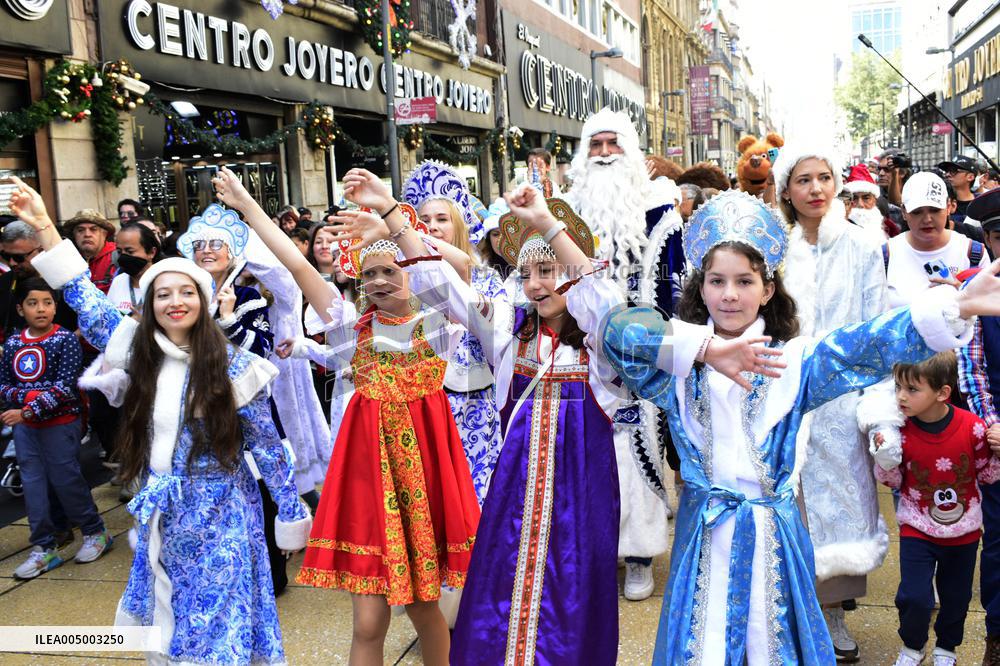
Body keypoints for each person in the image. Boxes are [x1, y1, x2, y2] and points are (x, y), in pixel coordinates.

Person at [599, 187, 1000, 664]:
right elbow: (615, 331)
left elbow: (866, 344)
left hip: (773, 531)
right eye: (717, 281)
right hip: (704, 534)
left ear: (768, 289)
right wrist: (704, 350)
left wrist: (956, 307)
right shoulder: (677, 363)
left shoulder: (795, 361)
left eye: (745, 281)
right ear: (700, 286)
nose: (729, 295)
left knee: (772, 642)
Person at [8, 176, 311, 665]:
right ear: (149, 305)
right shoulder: (137, 348)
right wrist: (44, 224)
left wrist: (291, 512)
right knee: (171, 614)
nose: (175, 302)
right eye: (162, 294)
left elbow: (267, 445)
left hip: (225, 511)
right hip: (165, 510)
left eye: (186, 292)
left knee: (222, 617)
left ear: (204, 299)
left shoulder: (234, 365)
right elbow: (81, 294)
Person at [213, 166, 479, 666]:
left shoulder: (440, 322)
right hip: (367, 485)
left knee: (427, 609)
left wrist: (389, 218)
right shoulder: (346, 325)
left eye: (390, 271)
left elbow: (461, 266)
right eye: (369, 273)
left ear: (413, 270)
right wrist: (247, 205)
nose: (378, 281)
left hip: (422, 482)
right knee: (368, 621)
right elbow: (296, 264)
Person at [564, 108, 685, 600]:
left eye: (614, 144)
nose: (606, 154)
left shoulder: (661, 210)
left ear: (631, 150)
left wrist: (664, 349)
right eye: (596, 145)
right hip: (577, 353)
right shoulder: (564, 210)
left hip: (641, 358)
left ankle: (638, 553)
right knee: (584, 456)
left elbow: (675, 288)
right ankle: (598, 549)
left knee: (640, 453)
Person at [775, 147, 889, 662]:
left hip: (843, 400)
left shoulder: (864, 246)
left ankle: (835, 615)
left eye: (824, 178)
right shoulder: (774, 248)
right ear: (787, 190)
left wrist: (875, 403)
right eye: (804, 180)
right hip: (786, 393)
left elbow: (874, 324)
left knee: (842, 506)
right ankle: (792, 613)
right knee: (789, 506)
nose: (816, 188)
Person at [874, 353, 999, 666]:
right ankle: (913, 646)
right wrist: (884, 458)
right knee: (914, 596)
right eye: (898, 388)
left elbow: (987, 474)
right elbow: (893, 482)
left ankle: (947, 647)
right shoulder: (898, 432)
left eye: (912, 389)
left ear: (942, 393)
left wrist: (995, 451)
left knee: (956, 598)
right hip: (917, 529)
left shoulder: (972, 428)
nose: (902, 396)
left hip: (964, 532)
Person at [403, 160, 506, 504]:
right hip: (422, 405)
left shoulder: (486, 279)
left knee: (476, 499)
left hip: (477, 404)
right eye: (423, 220)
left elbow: (500, 334)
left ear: (459, 224)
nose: (431, 228)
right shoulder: (405, 282)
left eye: (441, 219)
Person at [5, 277, 111, 579]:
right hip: (25, 427)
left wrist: (27, 409)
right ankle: (43, 546)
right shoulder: (13, 343)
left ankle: (95, 531)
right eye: (32, 303)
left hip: (60, 423)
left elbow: (65, 387)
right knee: (34, 485)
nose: (41, 309)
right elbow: (5, 385)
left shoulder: (65, 339)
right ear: (20, 308)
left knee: (66, 478)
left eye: (48, 302)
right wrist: (25, 404)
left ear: (55, 306)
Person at [955, 188, 1000, 664]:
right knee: (999, 543)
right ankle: (998, 634)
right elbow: (974, 370)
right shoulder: (973, 290)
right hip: (997, 435)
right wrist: (992, 426)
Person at [883, 171, 989, 309]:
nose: (927, 219)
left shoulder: (973, 253)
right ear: (903, 212)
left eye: (934, 210)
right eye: (917, 212)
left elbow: (989, 315)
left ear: (949, 207)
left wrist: (963, 297)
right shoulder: (886, 254)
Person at [0, 221, 78, 341]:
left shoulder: (66, 280)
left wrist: (65, 343)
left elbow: (89, 321)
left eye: (18, 258)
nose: (12, 263)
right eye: (6, 256)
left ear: (41, 250)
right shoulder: (4, 282)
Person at [106, 222, 160, 316]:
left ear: (151, 252)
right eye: (119, 251)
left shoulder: (163, 282)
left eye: (130, 251)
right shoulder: (118, 281)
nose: (123, 257)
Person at [844, 162, 900, 245]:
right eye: (854, 198)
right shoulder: (837, 229)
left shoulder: (889, 227)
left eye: (866, 198)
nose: (860, 205)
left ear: (875, 200)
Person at [63, 210, 117, 294]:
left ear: (104, 234)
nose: (87, 234)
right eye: (80, 230)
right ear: (74, 235)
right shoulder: (69, 261)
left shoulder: (118, 256)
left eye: (93, 229)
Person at [877, 149, 911, 231]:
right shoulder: (875, 195)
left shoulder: (913, 192)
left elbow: (897, 203)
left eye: (887, 169)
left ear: (902, 173)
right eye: (879, 169)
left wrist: (895, 173)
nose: (881, 173)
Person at [938, 156, 979, 222]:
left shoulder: (981, 203)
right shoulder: (940, 201)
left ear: (970, 177)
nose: (947, 174)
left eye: (954, 171)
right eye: (947, 171)